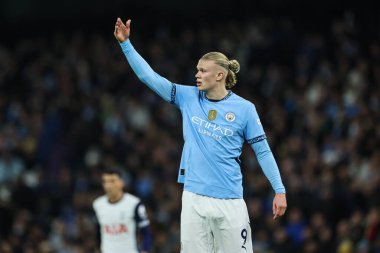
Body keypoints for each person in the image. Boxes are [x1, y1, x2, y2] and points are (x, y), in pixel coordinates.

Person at [114, 18, 287, 253]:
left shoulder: (245, 109)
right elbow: (150, 78)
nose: (197, 74)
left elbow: (263, 151)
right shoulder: (188, 97)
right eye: (197, 69)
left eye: (203, 70)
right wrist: (126, 44)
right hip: (194, 198)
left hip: (230, 202)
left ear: (219, 75)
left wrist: (279, 190)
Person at [93, 168, 152, 253]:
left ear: (121, 183)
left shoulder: (134, 204)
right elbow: (98, 232)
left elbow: (146, 231)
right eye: (105, 181)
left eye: (112, 181)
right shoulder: (98, 205)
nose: (108, 185)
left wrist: (145, 250)